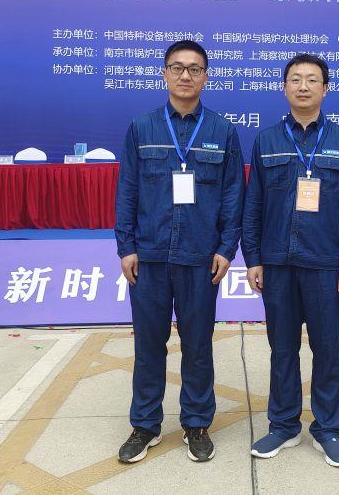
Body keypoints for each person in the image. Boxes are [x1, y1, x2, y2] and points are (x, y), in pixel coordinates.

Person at [115, 39, 245, 463]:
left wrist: (226, 248)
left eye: (194, 69)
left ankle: (196, 423)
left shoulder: (222, 131)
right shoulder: (142, 128)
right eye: (177, 67)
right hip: (149, 257)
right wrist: (126, 246)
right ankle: (145, 425)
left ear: (206, 77)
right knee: (148, 346)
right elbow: (128, 189)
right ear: (165, 74)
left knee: (198, 345)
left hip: (201, 258)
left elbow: (233, 194)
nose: (185, 75)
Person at [242, 53, 339, 468]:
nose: (303, 86)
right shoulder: (266, 141)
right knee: (282, 348)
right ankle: (283, 424)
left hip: (325, 264)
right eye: (295, 79)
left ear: (325, 89)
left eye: (312, 79)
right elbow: (253, 204)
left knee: (327, 348)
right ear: (284, 87)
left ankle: (328, 428)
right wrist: (253, 258)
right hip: (277, 262)